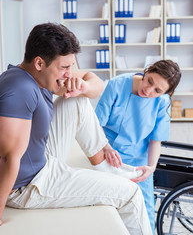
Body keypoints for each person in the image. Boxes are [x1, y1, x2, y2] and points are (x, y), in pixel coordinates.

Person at [0, 22, 153, 235]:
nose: (69, 73)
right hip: (30, 186)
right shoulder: (20, 90)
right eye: (64, 67)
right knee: (132, 193)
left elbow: (98, 85)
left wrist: (83, 87)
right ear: (39, 63)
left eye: (71, 66)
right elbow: (8, 158)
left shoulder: (33, 76)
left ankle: (105, 164)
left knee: (77, 100)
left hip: (40, 159)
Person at [95, 60, 181, 233]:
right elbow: (95, 126)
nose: (148, 91)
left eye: (158, 90)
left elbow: (155, 140)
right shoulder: (117, 85)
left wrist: (151, 167)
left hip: (138, 162)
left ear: (166, 93)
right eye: (149, 81)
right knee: (108, 211)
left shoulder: (162, 102)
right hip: (107, 155)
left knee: (143, 214)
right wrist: (106, 148)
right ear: (147, 71)